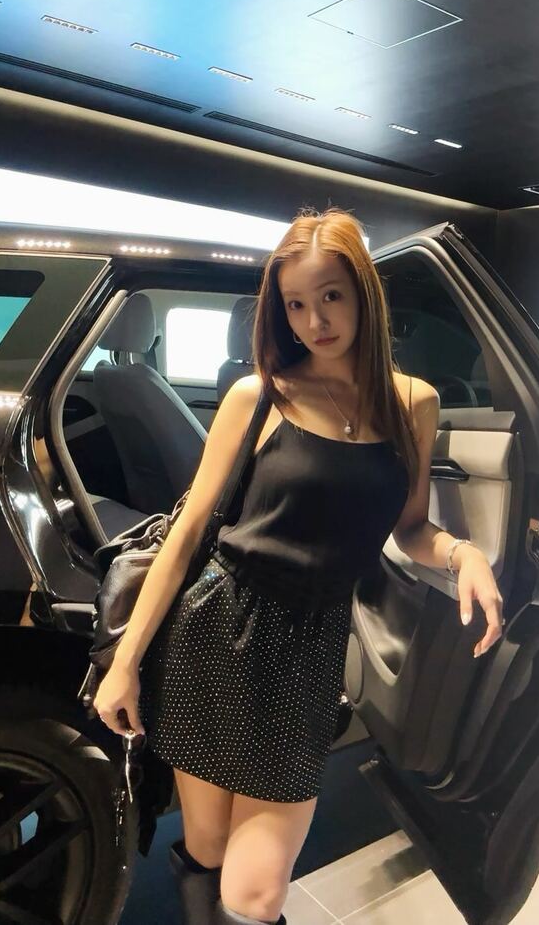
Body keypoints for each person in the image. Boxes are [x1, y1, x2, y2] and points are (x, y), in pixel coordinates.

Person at [92, 207, 503, 925]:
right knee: (209, 851)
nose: (315, 320)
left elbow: (410, 527)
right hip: (213, 634)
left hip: (308, 651)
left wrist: (463, 552)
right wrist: (125, 663)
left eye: (331, 295)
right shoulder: (260, 395)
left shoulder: (414, 403)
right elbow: (187, 534)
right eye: (296, 304)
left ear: (364, 293)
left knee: (255, 892)